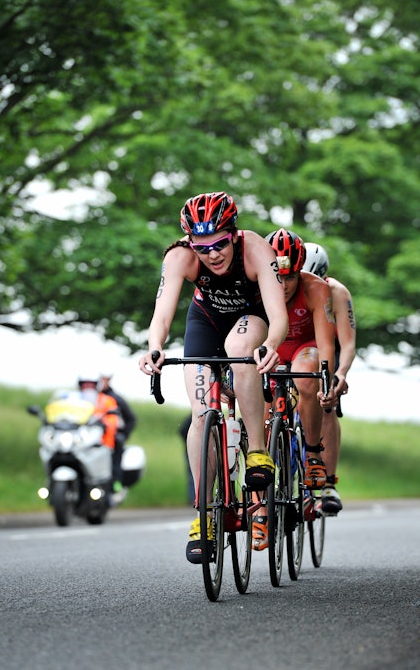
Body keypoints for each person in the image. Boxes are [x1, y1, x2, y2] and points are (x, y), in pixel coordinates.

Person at [139, 191, 295, 564]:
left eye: (220, 244)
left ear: (234, 234)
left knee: (239, 348)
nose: (212, 255)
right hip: (205, 321)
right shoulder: (179, 256)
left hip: (251, 319)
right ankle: (204, 514)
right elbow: (162, 314)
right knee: (200, 414)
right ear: (190, 242)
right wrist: (155, 347)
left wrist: (271, 345)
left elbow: (279, 316)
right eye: (202, 247)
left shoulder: (255, 250)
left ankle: (257, 452)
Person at [254, 229, 337, 550]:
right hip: (270, 351)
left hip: (304, 346)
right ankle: (261, 509)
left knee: (306, 377)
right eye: (277, 277)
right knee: (259, 422)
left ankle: (313, 453)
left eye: (290, 278)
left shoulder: (316, 288)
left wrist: (326, 377)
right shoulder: (253, 286)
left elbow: (326, 344)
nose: (283, 285)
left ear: (300, 272)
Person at [303, 242, 356, 514]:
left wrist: (340, 373)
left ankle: (329, 484)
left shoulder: (337, 292)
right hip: (297, 347)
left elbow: (347, 344)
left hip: (326, 350)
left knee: (326, 406)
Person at [98, 370, 137, 491]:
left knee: (117, 446)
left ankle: (116, 482)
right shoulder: (89, 397)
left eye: (105, 379)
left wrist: (123, 435)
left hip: (111, 435)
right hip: (90, 435)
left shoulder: (116, 399)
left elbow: (131, 419)